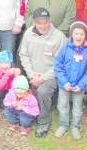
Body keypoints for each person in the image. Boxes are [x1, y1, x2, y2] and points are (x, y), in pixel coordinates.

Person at [18, 7, 67, 137]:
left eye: (45, 22)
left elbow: (60, 63)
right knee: (22, 89)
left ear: (50, 21)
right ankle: (28, 114)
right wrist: (31, 74)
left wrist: (43, 78)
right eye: (39, 23)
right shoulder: (28, 33)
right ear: (34, 22)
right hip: (33, 74)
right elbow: (24, 55)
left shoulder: (59, 37)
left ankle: (44, 121)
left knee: (42, 91)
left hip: (51, 76)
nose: (43, 26)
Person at [54, 21, 87, 140]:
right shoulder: (65, 49)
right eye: (76, 33)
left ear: (85, 36)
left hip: (79, 86)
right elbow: (58, 66)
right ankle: (63, 124)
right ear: (72, 35)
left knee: (77, 107)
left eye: (81, 34)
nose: (79, 36)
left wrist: (81, 85)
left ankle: (75, 126)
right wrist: (64, 81)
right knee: (62, 105)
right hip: (64, 84)